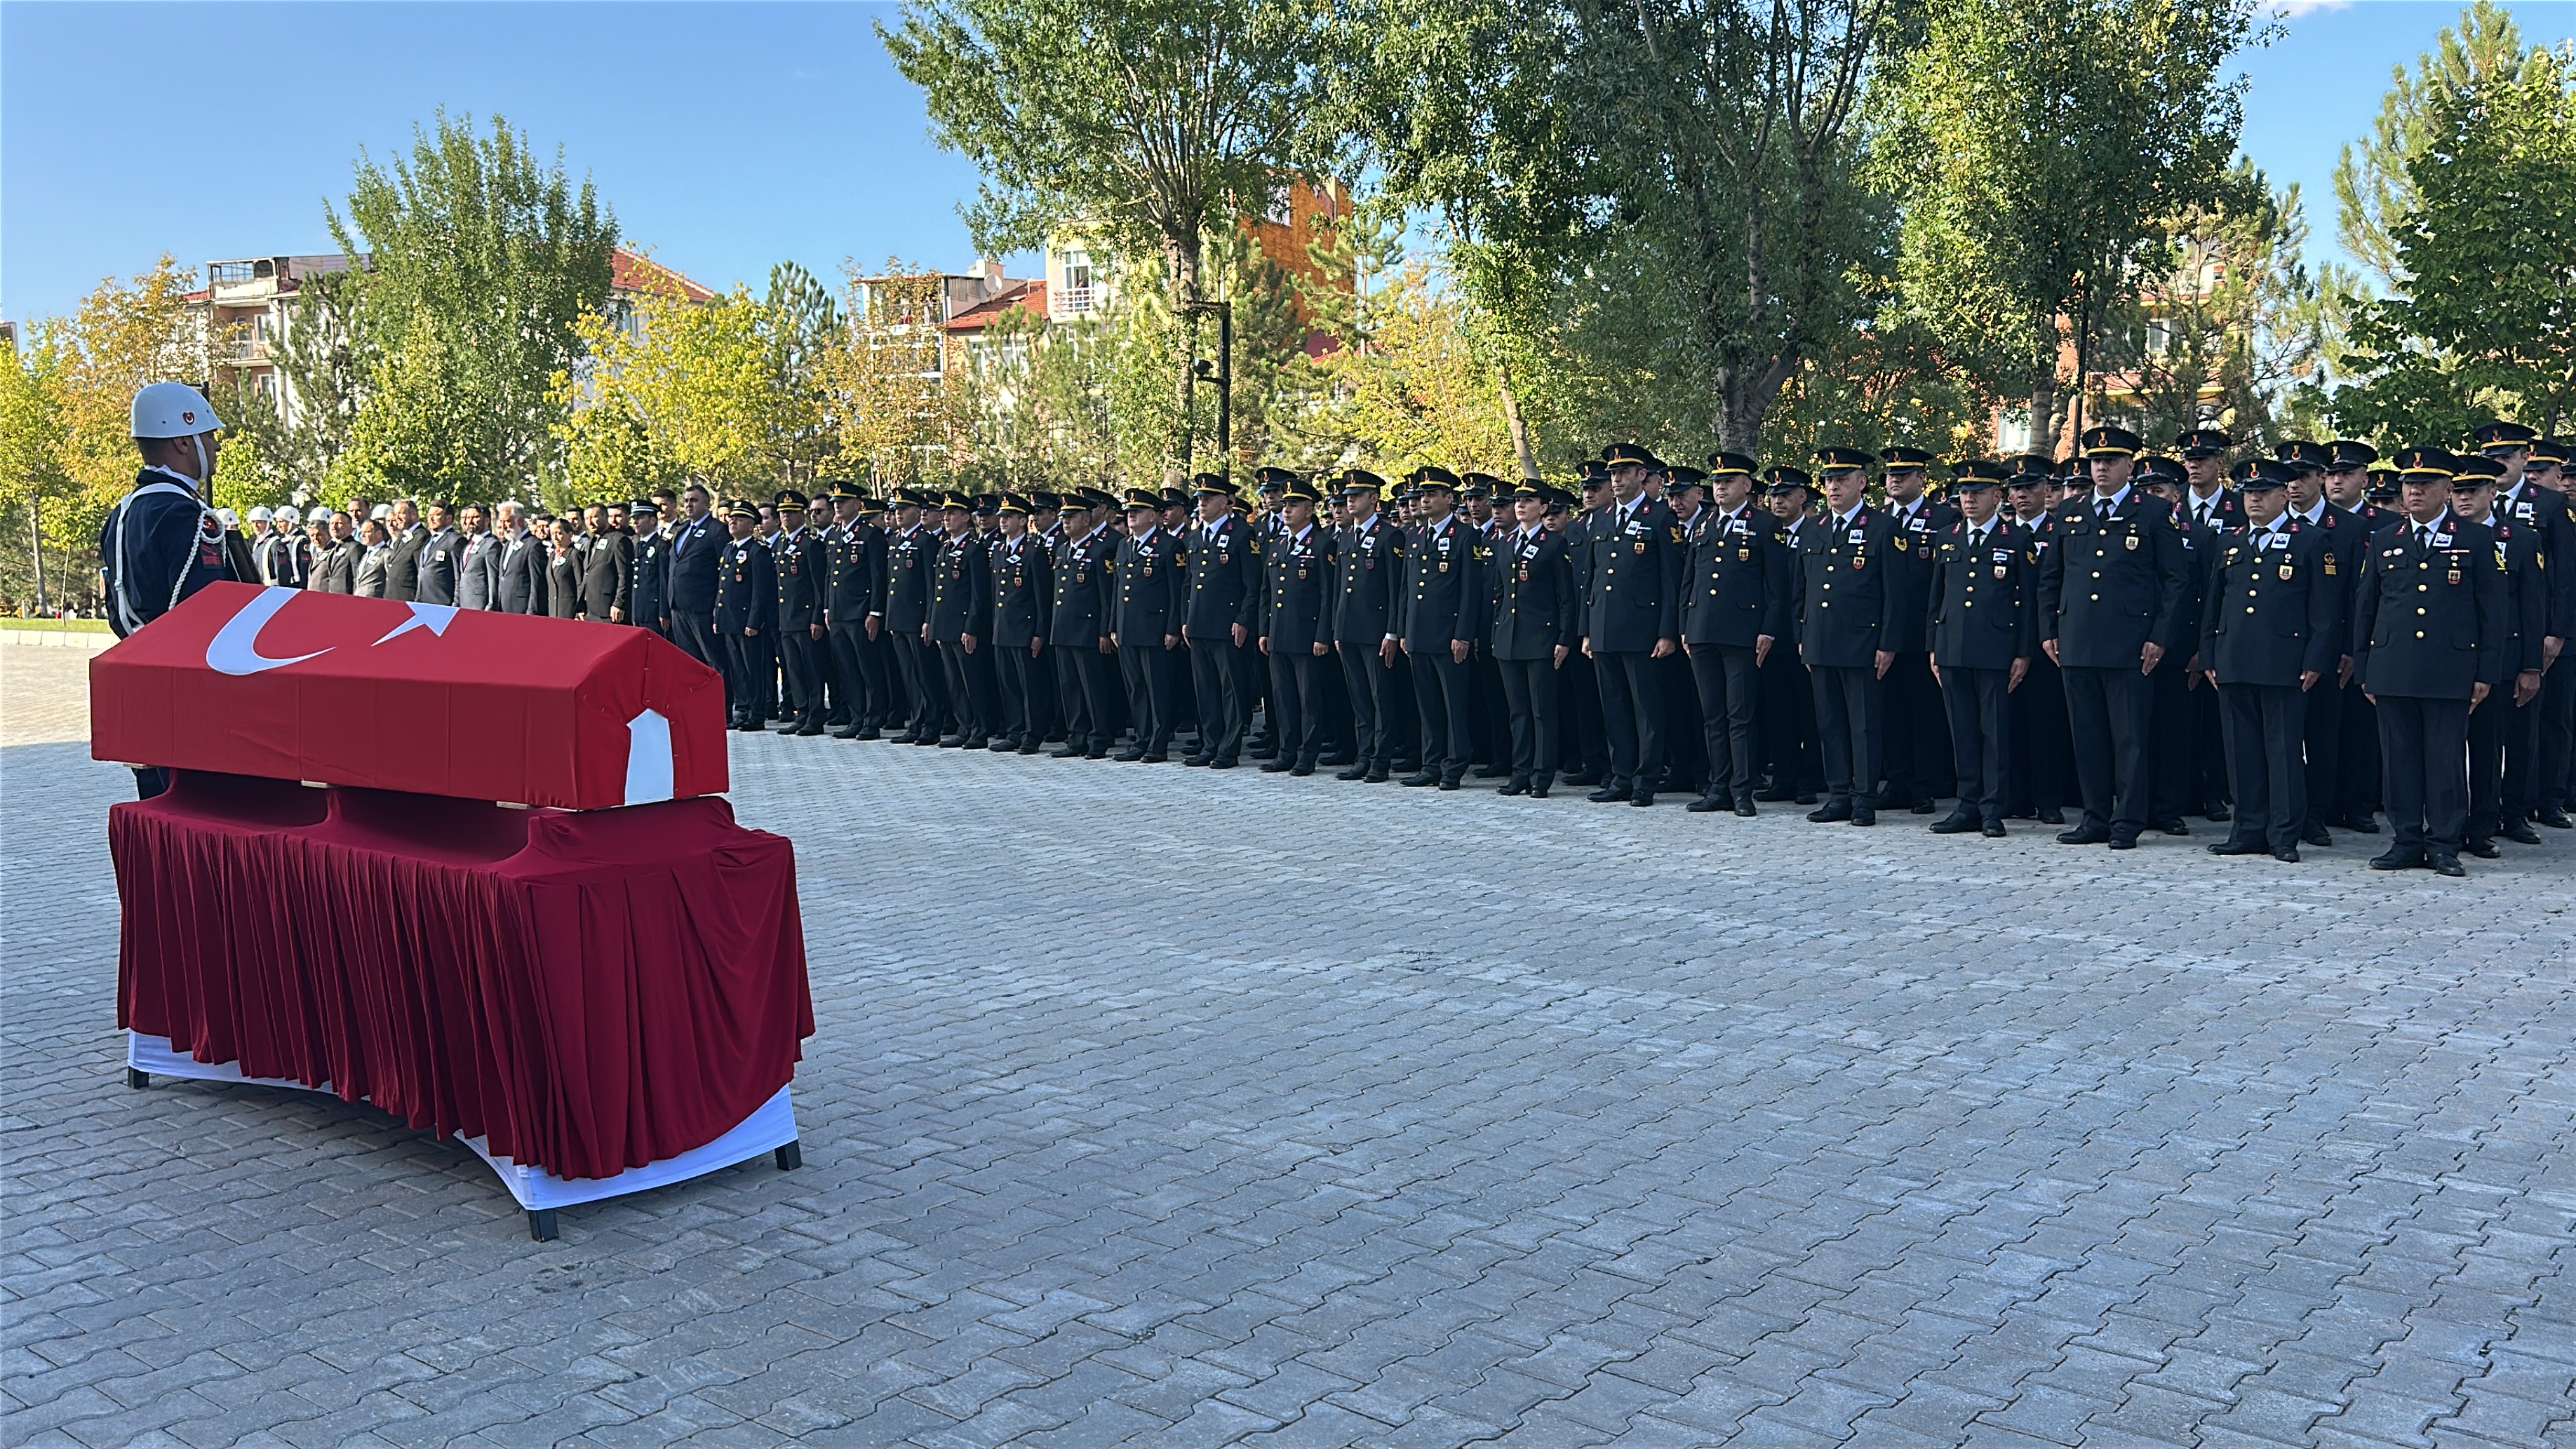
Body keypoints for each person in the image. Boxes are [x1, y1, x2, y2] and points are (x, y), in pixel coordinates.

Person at [2353, 448, 2509, 875]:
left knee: (2444, 760)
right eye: (2409, 484)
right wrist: (2365, 668)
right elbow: (2367, 607)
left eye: (2427, 484)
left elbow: (2491, 614)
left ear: (2447, 490)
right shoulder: (2385, 539)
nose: (2416, 491)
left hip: (2450, 667)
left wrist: (2486, 673)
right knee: (2399, 759)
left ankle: (2443, 843)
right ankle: (2405, 840)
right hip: (2393, 666)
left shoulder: (2475, 539)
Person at [2037, 426, 2187, 850]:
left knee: (2129, 737)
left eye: (2111, 461)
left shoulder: (2154, 513)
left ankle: (2128, 820)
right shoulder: (2070, 513)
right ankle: (2094, 816)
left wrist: (2159, 636)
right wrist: (2049, 630)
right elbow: (2051, 577)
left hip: (2129, 642)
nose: (2101, 467)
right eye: (2095, 462)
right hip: (2077, 638)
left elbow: (2175, 580)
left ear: (2130, 467)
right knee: (2087, 735)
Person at [98, 383, 238, 797]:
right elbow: (210, 616)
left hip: (144, 683)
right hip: (191, 696)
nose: (214, 449)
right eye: (208, 438)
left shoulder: (122, 513)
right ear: (182, 440)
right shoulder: (187, 514)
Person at [2200, 460, 2342, 863]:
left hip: (2284, 661)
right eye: (2249, 493)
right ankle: (2247, 829)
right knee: (2241, 750)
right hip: (2234, 659)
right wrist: (2209, 653)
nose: (2255, 499)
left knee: (2282, 752)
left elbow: (2324, 612)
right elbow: (2215, 605)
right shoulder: (2231, 541)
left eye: (2263, 493)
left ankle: (2284, 834)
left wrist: (2316, 658)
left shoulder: (2310, 541)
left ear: (2284, 495)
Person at [1926, 460, 2037, 837]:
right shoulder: (1947, 536)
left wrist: (2023, 651)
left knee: (1994, 731)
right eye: (1964, 492)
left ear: (1997, 496)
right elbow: (1936, 598)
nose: (1969, 499)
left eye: (1978, 492)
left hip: (1996, 647)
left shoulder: (2015, 539)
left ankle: (1993, 807)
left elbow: (2028, 602)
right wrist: (1933, 646)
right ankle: (1967, 804)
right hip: (1953, 645)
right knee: (1963, 730)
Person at [1680, 452, 1791, 816]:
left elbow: (1776, 587)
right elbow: (1690, 581)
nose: (1721, 487)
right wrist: (1685, 625)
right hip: (1702, 631)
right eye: (1717, 482)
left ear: (1746, 485)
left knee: (1740, 714)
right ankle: (1719, 787)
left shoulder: (1764, 525)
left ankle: (1742, 790)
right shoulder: (1704, 525)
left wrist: (1768, 631)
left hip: (1743, 633)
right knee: (1712, 714)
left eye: (1729, 481)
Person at [1797, 447, 1900, 827]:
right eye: (1828, 480)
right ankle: (1838, 793)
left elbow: (1894, 593)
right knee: (1830, 723)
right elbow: (1801, 588)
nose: (1833, 487)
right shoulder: (1814, 528)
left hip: (1863, 642)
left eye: (1841, 480)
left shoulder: (1883, 528)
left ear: (1862, 483)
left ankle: (1863, 798)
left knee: (1864, 724)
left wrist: (1888, 643)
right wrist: (1802, 633)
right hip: (1821, 640)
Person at [2448, 460, 2548, 856]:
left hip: (2503, 658)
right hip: (2449, 658)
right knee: (2447, 747)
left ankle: (2484, 823)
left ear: (2493, 493)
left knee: (2491, 747)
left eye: (2475, 490)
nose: (2466, 498)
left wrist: (2530, 666)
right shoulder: (2440, 537)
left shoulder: (2520, 539)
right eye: (2459, 491)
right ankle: (2448, 820)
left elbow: (2532, 607)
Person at [1580, 443, 1684, 807]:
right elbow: (1592, 578)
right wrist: (1587, 630)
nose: (1617, 479)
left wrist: (1667, 631)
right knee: (1614, 706)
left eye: (1624, 472)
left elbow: (1671, 579)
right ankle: (1621, 775)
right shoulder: (1603, 518)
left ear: (1642, 475)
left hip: (1642, 628)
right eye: (1613, 473)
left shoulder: (1660, 517)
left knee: (1646, 709)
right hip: (1606, 625)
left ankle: (1646, 779)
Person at [1873, 445, 1955, 814]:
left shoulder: (1942, 518)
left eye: (1903, 475)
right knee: (1890, 712)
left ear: (1922, 478)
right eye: (1891, 474)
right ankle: (1897, 780)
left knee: (1925, 713)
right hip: (1884, 632)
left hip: (1925, 629)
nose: (1894, 480)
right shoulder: (1874, 520)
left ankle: (1925, 785)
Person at [1489, 478, 1576, 799]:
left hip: (1542, 637)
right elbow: (1499, 594)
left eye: (1529, 501)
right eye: (1518, 502)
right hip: (1510, 637)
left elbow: (1565, 597)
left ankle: (1542, 775)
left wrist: (1564, 637)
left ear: (1543, 508)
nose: (1521, 506)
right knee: (1518, 711)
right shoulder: (1505, 543)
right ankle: (1520, 772)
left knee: (1542, 710)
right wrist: (1496, 633)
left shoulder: (1553, 544)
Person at [1397, 467, 1484, 790]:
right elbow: (1407, 588)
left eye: (1432, 494)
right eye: (1423, 495)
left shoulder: (1465, 536)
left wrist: (1463, 634)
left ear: (1450, 498)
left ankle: (1454, 765)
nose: (1425, 500)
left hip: (1448, 636)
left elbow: (1470, 591)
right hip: (1419, 633)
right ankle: (1431, 763)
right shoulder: (1415, 536)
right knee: (1428, 704)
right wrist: (1404, 629)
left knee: (1453, 705)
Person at [1179, 474, 1260, 769]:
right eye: (1200, 499)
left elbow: (1252, 583)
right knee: (1206, 688)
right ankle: (1210, 743)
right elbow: (1189, 583)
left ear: (1227, 502)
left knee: (1231, 689)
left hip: (1227, 625)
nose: (1202, 503)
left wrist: (1243, 619)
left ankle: (1229, 747)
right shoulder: (1195, 537)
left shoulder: (1241, 533)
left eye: (1209, 498)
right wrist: (1185, 619)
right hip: (1199, 623)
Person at [1331, 471, 1404, 782]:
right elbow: (1339, 588)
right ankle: (1364, 755)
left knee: (1380, 697)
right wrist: (1336, 629)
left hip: (1376, 630)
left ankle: (1380, 759)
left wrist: (1392, 631)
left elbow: (1395, 589)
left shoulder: (1390, 536)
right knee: (1359, 697)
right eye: (1349, 496)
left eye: (1357, 495)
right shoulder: (1346, 536)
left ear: (1374, 498)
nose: (1350, 500)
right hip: (1349, 629)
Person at [1114, 487, 1184, 762]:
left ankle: (1159, 741)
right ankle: (1142, 739)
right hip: (1128, 627)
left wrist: (1173, 627)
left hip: (1155, 628)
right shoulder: (1124, 545)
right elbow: (1117, 590)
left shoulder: (1168, 546)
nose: (1131, 516)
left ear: (1154, 516)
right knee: (1136, 687)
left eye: (1138, 511)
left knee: (1158, 688)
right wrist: (1113, 625)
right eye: (1129, 511)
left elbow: (1176, 591)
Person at [1049, 487, 1120, 758]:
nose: (1066, 521)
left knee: (1093, 688)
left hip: (1088, 631)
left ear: (1087, 520)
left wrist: (1104, 631)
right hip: (1064, 629)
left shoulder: (1099, 550)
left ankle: (1100, 737)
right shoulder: (1062, 550)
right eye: (1064, 517)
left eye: (1073, 516)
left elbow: (1106, 596)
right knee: (1071, 688)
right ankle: (1076, 737)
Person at [927, 492, 1000, 749]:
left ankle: (980, 728)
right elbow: (938, 592)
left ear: (966, 518)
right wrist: (933, 624)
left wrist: (971, 628)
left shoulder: (974, 550)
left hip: (964, 628)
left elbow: (979, 596)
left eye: (952, 514)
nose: (945, 518)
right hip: (945, 627)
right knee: (954, 681)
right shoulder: (945, 548)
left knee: (973, 680)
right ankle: (964, 726)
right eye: (944, 514)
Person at [988, 492, 1054, 753]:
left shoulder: (1034, 552)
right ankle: (1015, 731)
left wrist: (1040, 631)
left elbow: (1041, 595)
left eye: (1009, 517)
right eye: (1002, 517)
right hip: (1003, 628)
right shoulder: (999, 550)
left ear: (1022, 521)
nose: (1003, 521)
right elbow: (997, 594)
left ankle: (1032, 733)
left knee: (1031, 686)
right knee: (1009, 684)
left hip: (1026, 629)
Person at [713, 499, 774, 729]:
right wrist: (718, 617)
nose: (733, 521)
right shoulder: (729, 549)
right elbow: (722, 587)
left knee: (753, 669)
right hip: (729, 619)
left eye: (739, 519)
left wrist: (754, 621)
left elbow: (760, 591)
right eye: (731, 518)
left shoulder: (757, 552)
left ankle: (757, 714)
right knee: (737, 669)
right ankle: (743, 709)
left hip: (747, 621)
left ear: (752, 525)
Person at [768, 492, 826, 736]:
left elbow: (817, 585)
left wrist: (816, 618)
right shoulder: (782, 544)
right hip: (786, 618)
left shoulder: (810, 544)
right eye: (782, 513)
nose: (785, 517)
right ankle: (801, 712)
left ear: (801, 514)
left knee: (811, 668)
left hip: (804, 618)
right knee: (793, 669)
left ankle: (815, 714)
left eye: (790, 513)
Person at [666, 483, 725, 672]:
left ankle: (724, 699)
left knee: (714, 658)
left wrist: (718, 604)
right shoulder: (681, 530)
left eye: (694, 500)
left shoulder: (717, 530)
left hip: (703, 607)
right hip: (678, 605)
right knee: (689, 660)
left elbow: (723, 571)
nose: (689, 505)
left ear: (706, 504)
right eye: (686, 501)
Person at [490, 501, 549, 614]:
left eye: (507, 522)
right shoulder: (508, 544)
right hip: (504, 609)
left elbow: (537, 583)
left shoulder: (533, 545)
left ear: (520, 521)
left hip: (522, 611)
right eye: (501, 522)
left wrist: (532, 612)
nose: (503, 527)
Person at [415, 501, 464, 606]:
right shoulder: (429, 541)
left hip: (443, 603)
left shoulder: (455, 541)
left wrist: (455, 603)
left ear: (449, 518)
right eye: (429, 515)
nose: (431, 519)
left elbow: (459, 577)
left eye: (436, 515)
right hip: (424, 602)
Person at [457, 504, 499, 610]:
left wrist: (491, 606)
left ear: (487, 521)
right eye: (467, 518)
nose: (469, 521)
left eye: (475, 517)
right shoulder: (468, 544)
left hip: (480, 606)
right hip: (463, 604)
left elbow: (493, 580)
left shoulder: (492, 545)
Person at [384, 499, 428, 602]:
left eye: (401, 514)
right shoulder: (402, 536)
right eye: (396, 514)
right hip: (392, 597)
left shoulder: (421, 536)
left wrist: (418, 599)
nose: (397, 518)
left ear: (413, 514)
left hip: (408, 598)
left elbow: (421, 572)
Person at [545, 516, 583, 619]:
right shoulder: (553, 556)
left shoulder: (574, 554)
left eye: (559, 533)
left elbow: (580, 584)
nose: (555, 538)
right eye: (552, 534)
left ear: (570, 534)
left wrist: (580, 610)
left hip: (569, 611)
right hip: (554, 610)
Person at [354, 520, 395, 598]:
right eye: (362, 532)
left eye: (367, 532)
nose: (362, 535)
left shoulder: (387, 554)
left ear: (379, 534)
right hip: (359, 599)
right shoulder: (366, 554)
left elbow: (390, 581)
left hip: (375, 601)